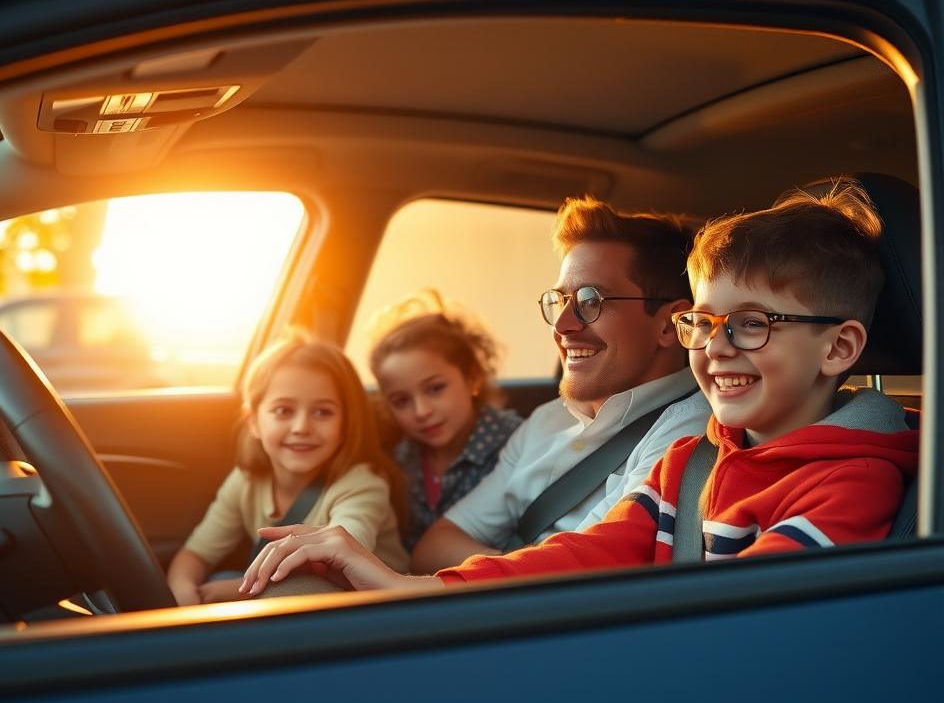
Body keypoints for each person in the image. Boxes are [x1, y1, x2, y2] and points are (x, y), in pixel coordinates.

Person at [238, 182, 918, 596]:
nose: (713, 346)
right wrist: (409, 586)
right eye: (703, 323)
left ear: (839, 348)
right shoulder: (697, 461)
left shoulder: (851, 479)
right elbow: (586, 554)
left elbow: (753, 625)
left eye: (748, 325)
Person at [407, 195, 711, 574]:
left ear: (669, 324)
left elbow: (581, 579)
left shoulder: (690, 433)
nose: (562, 324)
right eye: (560, 299)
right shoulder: (546, 420)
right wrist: (520, 566)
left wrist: (502, 566)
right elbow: (435, 544)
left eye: (590, 300)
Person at [167, 333, 407, 606]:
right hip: (291, 592)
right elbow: (196, 554)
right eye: (283, 411)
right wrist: (182, 589)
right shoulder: (246, 480)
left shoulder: (363, 484)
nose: (301, 427)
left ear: (346, 426)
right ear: (254, 421)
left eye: (322, 412)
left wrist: (235, 589)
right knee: (219, 576)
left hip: (369, 606)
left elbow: (336, 559)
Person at [368, 290, 522, 552]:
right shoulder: (400, 458)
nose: (421, 411)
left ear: (472, 378)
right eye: (401, 401)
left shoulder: (517, 444)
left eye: (435, 388)